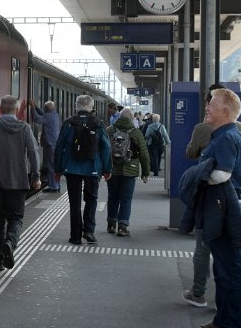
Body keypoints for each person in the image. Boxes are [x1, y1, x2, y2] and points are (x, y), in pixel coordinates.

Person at [182, 85, 241, 308]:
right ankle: (224, 305)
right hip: (237, 198)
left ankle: (199, 292)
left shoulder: (203, 129)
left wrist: (198, 176)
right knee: (227, 255)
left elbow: (191, 154)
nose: (207, 107)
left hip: (216, 200)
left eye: (211, 103)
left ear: (224, 109)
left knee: (206, 249)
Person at [0, 95, 42, 271]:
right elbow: (33, 153)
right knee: (16, 218)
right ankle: (10, 242)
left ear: (0, 109)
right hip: (17, 182)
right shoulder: (24, 128)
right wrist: (36, 177)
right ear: (17, 110)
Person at [54, 94, 112, 245]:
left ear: (76, 106)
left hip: (71, 168)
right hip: (93, 168)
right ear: (91, 107)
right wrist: (107, 168)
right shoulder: (98, 124)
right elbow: (106, 148)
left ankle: (75, 236)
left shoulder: (68, 123)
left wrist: (57, 169)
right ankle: (89, 231)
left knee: (74, 202)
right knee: (91, 199)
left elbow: (59, 146)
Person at [105, 108, 150, 237]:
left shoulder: (109, 130)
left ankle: (111, 224)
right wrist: (145, 173)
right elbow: (144, 154)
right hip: (130, 170)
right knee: (126, 198)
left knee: (112, 196)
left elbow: (102, 150)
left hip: (112, 169)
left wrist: (102, 168)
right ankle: (122, 226)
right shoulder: (136, 133)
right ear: (132, 119)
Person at [29, 99, 61, 192]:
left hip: (50, 144)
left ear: (46, 109)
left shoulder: (48, 116)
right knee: (54, 166)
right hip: (54, 143)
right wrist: (36, 107)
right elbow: (43, 113)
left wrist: (32, 107)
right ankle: (57, 185)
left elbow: (36, 118)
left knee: (51, 166)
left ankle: (53, 187)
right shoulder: (54, 115)